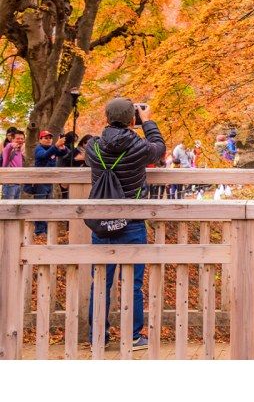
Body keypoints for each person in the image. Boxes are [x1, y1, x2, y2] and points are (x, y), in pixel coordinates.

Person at [86, 97, 165, 350]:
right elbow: (159, 148)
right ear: (132, 120)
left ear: (106, 118)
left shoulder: (93, 147)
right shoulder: (139, 148)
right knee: (132, 283)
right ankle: (132, 336)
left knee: (100, 280)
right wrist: (148, 121)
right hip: (131, 222)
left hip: (102, 221)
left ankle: (97, 336)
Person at [25, 130, 68, 235]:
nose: (48, 140)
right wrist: (56, 146)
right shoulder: (38, 149)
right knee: (40, 205)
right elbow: (44, 156)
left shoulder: (51, 148)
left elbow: (64, 153)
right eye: (45, 138)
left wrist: (63, 147)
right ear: (40, 139)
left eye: (50, 138)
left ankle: (45, 228)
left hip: (50, 181)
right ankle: (39, 231)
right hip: (40, 182)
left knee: (48, 204)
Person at [2, 129, 25, 199]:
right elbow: (8, 146)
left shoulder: (19, 151)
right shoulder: (8, 149)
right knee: (8, 207)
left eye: (22, 139)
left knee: (16, 207)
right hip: (10, 183)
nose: (20, 140)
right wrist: (12, 144)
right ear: (12, 139)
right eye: (18, 138)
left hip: (18, 183)